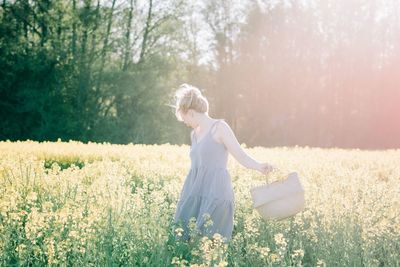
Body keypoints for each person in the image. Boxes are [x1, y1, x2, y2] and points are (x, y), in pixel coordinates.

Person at [171, 84, 275, 243]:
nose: (184, 122)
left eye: (184, 118)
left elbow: (241, 156)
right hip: (193, 192)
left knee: (211, 244)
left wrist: (260, 166)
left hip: (215, 192)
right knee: (184, 240)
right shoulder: (194, 134)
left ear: (190, 113)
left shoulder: (219, 127)